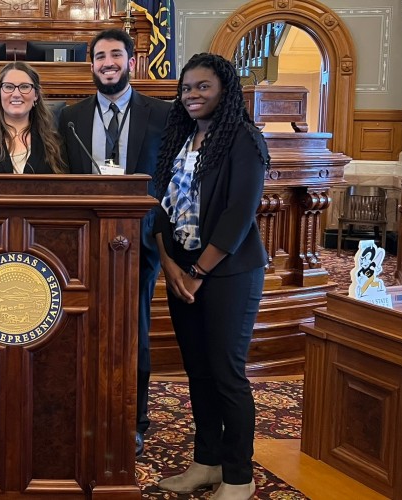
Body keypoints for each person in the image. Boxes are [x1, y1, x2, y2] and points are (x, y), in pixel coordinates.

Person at [152, 52, 269, 500]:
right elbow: (159, 204)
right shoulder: (181, 139)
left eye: (202, 86)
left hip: (228, 274)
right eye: (186, 89)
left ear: (224, 89)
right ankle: (206, 462)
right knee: (197, 372)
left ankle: (239, 476)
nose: (192, 95)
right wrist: (170, 264)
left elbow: (240, 214)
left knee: (226, 373)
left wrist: (199, 270)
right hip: (182, 272)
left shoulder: (244, 139)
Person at [58, 28, 172, 458]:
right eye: (100, 56)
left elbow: (172, 175)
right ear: (90, 63)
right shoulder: (69, 116)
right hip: (83, 244)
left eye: (116, 55)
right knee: (81, 331)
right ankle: (83, 410)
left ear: (130, 62)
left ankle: (133, 419)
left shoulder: (162, 113)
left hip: (139, 243)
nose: (108, 62)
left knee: (132, 332)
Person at [0, 62, 66, 174]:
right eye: (9, 87)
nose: (16, 94)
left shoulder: (55, 142)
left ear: (36, 95)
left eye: (24, 87)